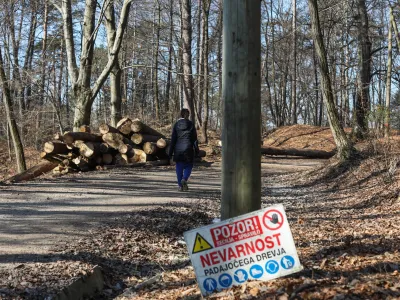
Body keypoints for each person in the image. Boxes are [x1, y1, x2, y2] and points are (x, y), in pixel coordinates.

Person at [168, 108, 199, 191]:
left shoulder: (176, 125)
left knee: (179, 166)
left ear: (180, 115)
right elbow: (194, 139)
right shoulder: (191, 124)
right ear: (188, 115)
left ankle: (180, 186)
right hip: (188, 148)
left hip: (178, 149)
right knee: (189, 165)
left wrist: (170, 153)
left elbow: (173, 140)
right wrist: (197, 150)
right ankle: (184, 179)